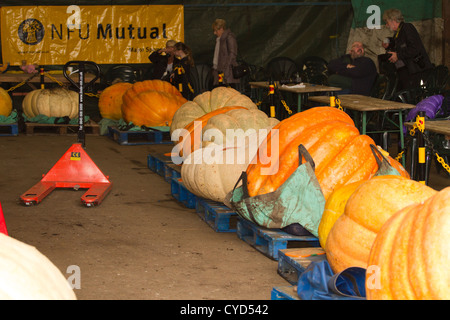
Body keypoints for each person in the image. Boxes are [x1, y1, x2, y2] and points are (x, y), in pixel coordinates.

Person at [382, 8, 433, 90]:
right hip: (407, 72)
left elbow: (415, 48)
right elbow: (400, 45)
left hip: (417, 71)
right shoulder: (398, 33)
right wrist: (388, 45)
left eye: (387, 22)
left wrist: (398, 55)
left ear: (393, 20)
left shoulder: (407, 28)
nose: (387, 25)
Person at [211, 19, 240, 87]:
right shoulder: (219, 40)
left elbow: (232, 53)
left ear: (221, 29)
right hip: (219, 71)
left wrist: (226, 68)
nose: (214, 33)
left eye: (216, 30)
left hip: (227, 73)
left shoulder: (229, 37)